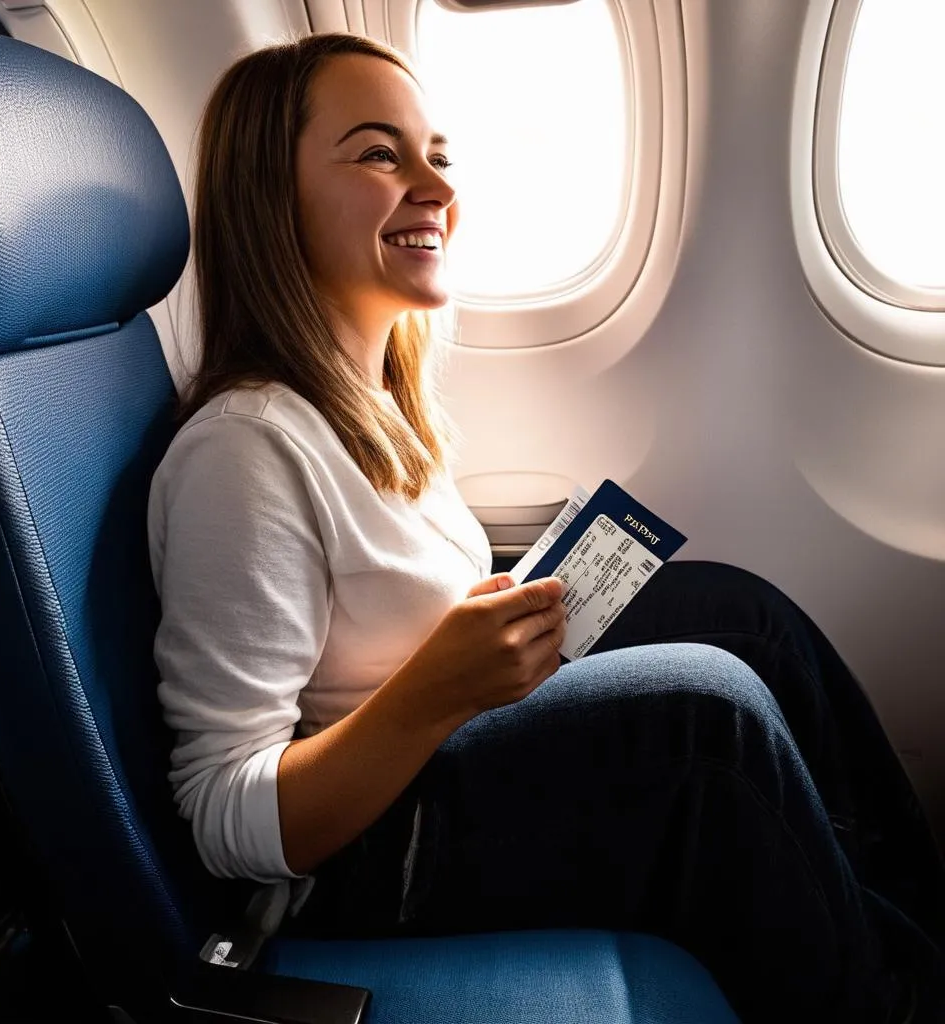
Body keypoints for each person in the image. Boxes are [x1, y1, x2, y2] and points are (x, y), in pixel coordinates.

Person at [147, 32, 945, 1023]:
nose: (433, 187)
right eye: (377, 154)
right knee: (707, 714)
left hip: (428, 754)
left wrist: (470, 633)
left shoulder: (373, 409)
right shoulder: (245, 450)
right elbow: (229, 819)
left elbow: (368, 636)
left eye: (436, 155)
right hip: (358, 859)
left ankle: (906, 930)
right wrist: (437, 687)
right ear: (270, 196)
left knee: (739, 615)